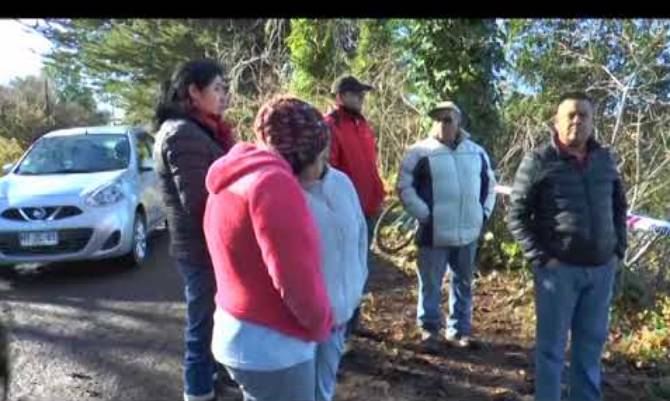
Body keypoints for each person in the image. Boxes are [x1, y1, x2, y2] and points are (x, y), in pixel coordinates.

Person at [204, 95, 334, 401]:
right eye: (322, 156)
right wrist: (322, 324)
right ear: (303, 154)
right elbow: (296, 279)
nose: (323, 166)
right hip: (274, 348)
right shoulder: (274, 184)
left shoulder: (236, 174)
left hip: (236, 330)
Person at [507, 92, 628, 401]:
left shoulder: (605, 160)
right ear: (556, 121)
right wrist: (543, 258)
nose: (577, 121)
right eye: (570, 115)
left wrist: (617, 252)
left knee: (590, 347)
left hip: (601, 270)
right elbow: (516, 216)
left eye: (583, 116)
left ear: (591, 122)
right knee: (551, 350)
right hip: (558, 273)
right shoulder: (538, 161)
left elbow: (618, 208)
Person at [153, 58, 235, 401]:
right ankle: (197, 391)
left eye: (224, 88)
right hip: (200, 248)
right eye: (217, 88)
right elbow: (200, 201)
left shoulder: (201, 129)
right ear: (193, 92)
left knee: (213, 319)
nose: (224, 95)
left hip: (209, 246)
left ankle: (211, 379)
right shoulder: (182, 134)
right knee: (201, 326)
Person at [396, 101, 497, 348]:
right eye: (438, 119)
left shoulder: (476, 152)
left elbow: (490, 186)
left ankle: (459, 330)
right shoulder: (419, 152)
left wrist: (482, 214)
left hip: (467, 232)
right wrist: (423, 213)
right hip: (433, 232)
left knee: (463, 282)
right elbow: (404, 186)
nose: (443, 123)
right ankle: (429, 329)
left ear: (458, 121)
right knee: (430, 283)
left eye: (448, 119)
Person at [299, 145, 368, 401]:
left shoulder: (341, 183)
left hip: (339, 313)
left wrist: (357, 287)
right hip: (298, 321)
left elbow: (360, 235)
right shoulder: (281, 190)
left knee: (323, 388)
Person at [325, 75, 386, 337]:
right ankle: (341, 329)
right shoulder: (329, 126)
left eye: (362, 93)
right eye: (356, 93)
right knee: (342, 271)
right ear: (340, 96)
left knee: (360, 268)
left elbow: (369, 166)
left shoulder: (363, 126)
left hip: (367, 209)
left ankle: (354, 323)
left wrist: (378, 192)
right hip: (345, 212)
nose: (362, 98)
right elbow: (327, 172)